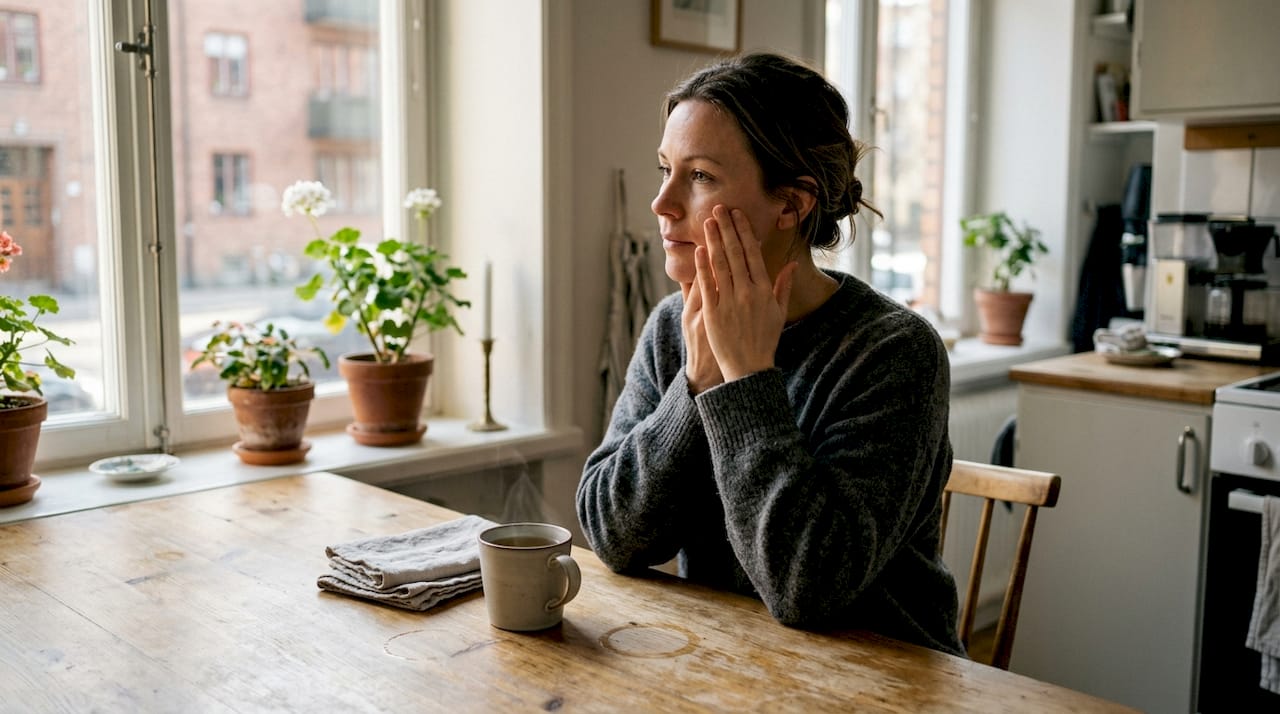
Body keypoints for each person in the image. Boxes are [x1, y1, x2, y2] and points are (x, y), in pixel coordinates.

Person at [576, 51, 963, 657]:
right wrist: (696, 382)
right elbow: (611, 533)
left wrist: (744, 381)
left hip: (885, 682)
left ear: (792, 203)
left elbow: (810, 589)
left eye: (700, 176)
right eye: (664, 169)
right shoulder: (673, 328)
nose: (662, 202)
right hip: (725, 667)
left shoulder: (894, 351)